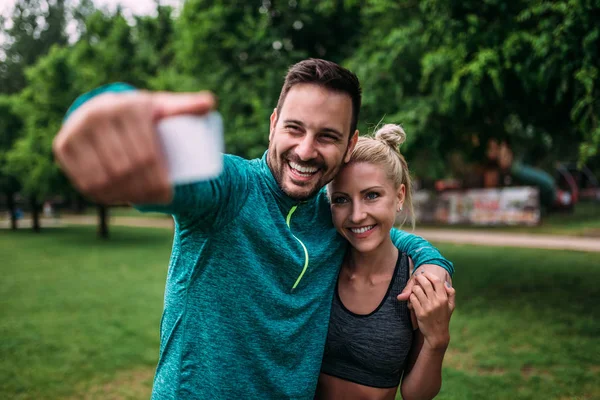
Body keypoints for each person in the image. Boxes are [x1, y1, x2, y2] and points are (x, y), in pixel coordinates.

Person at [53, 59, 454, 399]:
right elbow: (173, 181)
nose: (305, 150)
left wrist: (433, 262)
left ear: (349, 146)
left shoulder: (333, 213)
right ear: (274, 124)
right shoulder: (229, 189)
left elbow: (385, 233)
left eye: (327, 136)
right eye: (294, 128)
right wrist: (108, 122)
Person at [317, 125, 454, 400]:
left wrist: (437, 342)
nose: (357, 215)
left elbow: (415, 394)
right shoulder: (320, 264)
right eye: (342, 199)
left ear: (399, 196)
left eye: (372, 195)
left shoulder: (418, 283)